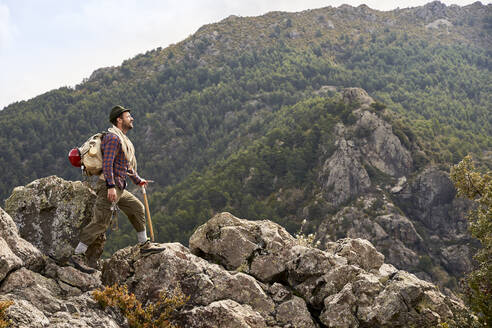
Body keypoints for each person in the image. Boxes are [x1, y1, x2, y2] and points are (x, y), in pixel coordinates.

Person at [69, 105, 164, 274]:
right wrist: (110, 186)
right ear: (119, 120)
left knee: (136, 207)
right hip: (109, 186)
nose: (132, 118)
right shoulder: (113, 139)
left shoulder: (122, 139)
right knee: (101, 222)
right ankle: (77, 255)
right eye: (128, 116)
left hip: (118, 186)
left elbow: (124, 165)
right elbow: (107, 164)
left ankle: (144, 245)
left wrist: (138, 180)